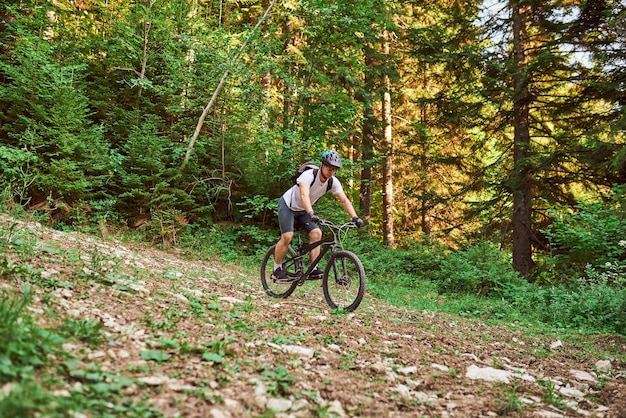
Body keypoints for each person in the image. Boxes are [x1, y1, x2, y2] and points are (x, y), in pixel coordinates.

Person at [272, 150, 364, 281]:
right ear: (322, 165)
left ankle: (313, 269)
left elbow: (344, 200)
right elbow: (304, 195)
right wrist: (311, 213)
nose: (331, 171)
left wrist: (355, 217)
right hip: (288, 205)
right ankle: (277, 269)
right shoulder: (308, 175)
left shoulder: (333, 182)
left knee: (316, 233)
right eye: (329, 168)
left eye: (334, 169)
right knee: (287, 236)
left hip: (304, 210)